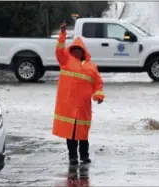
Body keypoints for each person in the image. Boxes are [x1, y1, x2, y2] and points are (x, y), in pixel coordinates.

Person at [52, 20, 105, 165]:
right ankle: (73, 157)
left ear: (83, 51)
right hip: (68, 106)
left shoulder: (91, 67)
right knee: (71, 134)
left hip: (83, 107)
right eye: (74, 49)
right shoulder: (65, 60)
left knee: (83, 134)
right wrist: (62, 34)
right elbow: (59, 49)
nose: (76, 51)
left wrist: (98, 95)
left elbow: (98, 83)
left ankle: (84, 156)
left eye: (78, 49)